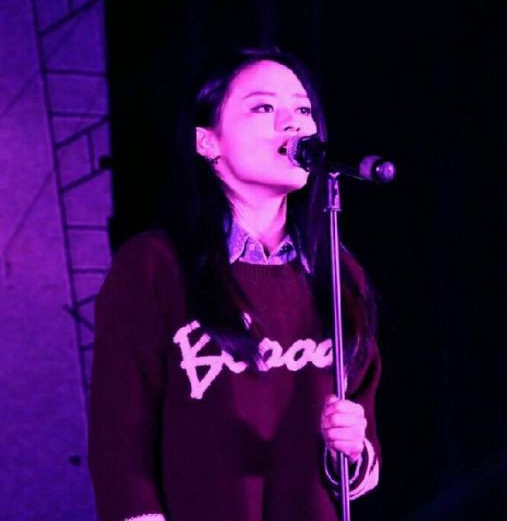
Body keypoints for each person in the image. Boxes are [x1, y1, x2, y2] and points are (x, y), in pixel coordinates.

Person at [88, 48, 382, 521]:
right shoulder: (154, 265)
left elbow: (356, 452)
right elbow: (120, 436)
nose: (292, 123)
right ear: (207, 142)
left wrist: (349, 448)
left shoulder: (338, 273)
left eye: (303, 110)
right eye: (263, 107)